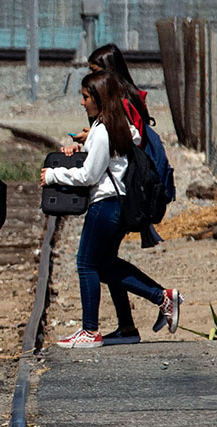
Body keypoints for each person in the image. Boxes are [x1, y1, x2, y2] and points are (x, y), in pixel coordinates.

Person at [42, 72, 181, 349]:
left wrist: (53, 176)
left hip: (106, 205)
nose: (82, 103)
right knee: (105, 266)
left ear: (99, 98)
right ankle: (161, 298)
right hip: (117, 206)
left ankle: (90, 331)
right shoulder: (115, 126)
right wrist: (85, 142)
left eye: (85, 97)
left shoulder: (103, 130)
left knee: (86, 264)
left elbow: (89, 175)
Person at [84, 43, 167, 343]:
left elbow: (122, 139)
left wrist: (95, 136)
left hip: (120, 193)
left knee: (94, 264)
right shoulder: (126, 98)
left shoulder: (119, 100)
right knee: (106, 262)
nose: (91, 79)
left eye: (95, 72)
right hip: (127, 190)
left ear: (108, 72)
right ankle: (128, 326)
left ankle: (162, 297)